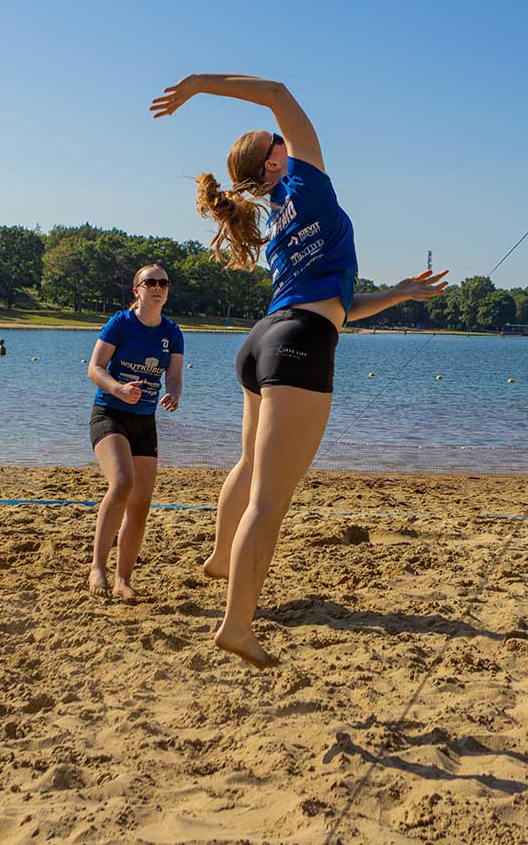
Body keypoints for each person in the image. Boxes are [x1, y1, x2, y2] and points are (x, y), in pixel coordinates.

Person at [150, 75, 447, 667]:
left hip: (264, 341)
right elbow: (279, 92)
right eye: (277, 137)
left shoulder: (281, 218)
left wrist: (398, 294)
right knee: (270, 498)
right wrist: (198, 87)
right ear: (273, 157)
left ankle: (218, 557)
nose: (287, 134)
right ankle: (237, 626)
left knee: (251, 466)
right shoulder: (304, 183)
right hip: (299, 343)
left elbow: (340, 306)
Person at [87, 264, 184, 601]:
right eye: (151, 282)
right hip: (110, 413)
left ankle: (123, 579)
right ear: (137, 290)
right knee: (123, 482)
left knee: (141, 504)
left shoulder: (172, 332)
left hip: (145, 422)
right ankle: (97, 566)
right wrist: (118, 388)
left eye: (163, 283)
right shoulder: (121, 323)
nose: (158, 287)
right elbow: (94, 368)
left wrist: (173, 392)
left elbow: (173, 375)